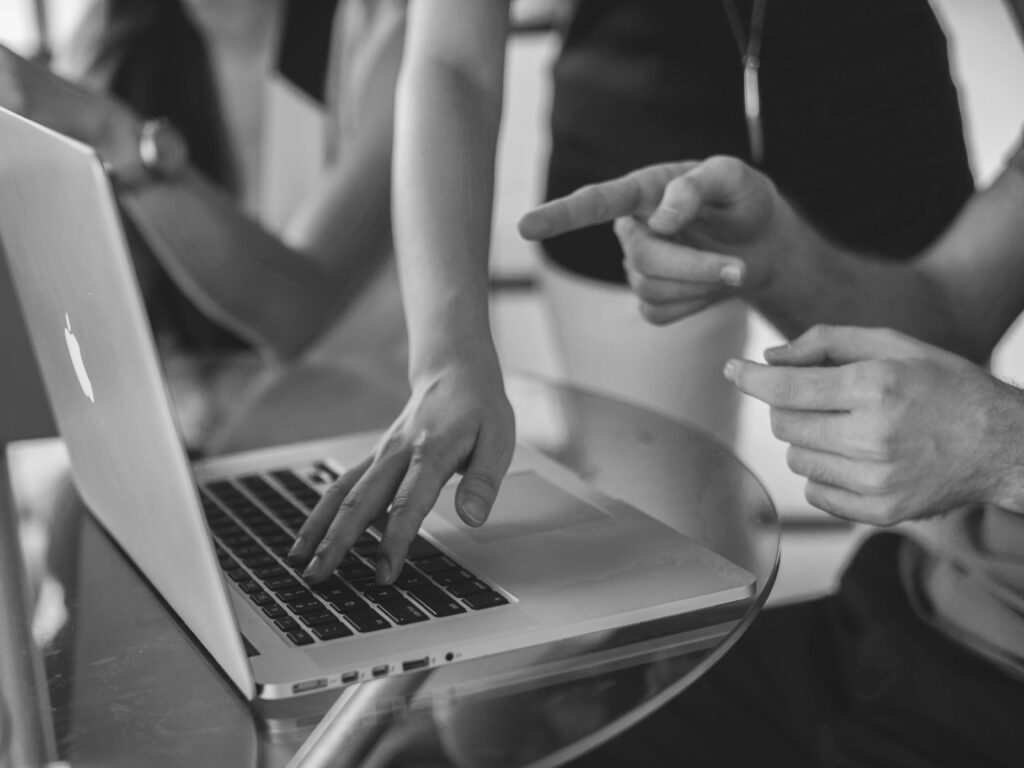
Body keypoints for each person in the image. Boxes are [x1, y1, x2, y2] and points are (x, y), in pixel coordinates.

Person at [289, 0, 976, 586]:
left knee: (940, 551)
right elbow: (453, 61)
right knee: (670, 559)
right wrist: (448, 352)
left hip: (884, 126)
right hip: (632, 145)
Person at [514, 120, 1024, 763]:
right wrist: (777, 258)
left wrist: (1002, 445)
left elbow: (993, 428)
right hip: (915, 619)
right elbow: (949, 316)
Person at [0, 0, 408, 444]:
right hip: (196, 434)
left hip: (364, 442)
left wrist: (108, 132)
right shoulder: (114, 43)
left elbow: (295, 308)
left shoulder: (382, 35)